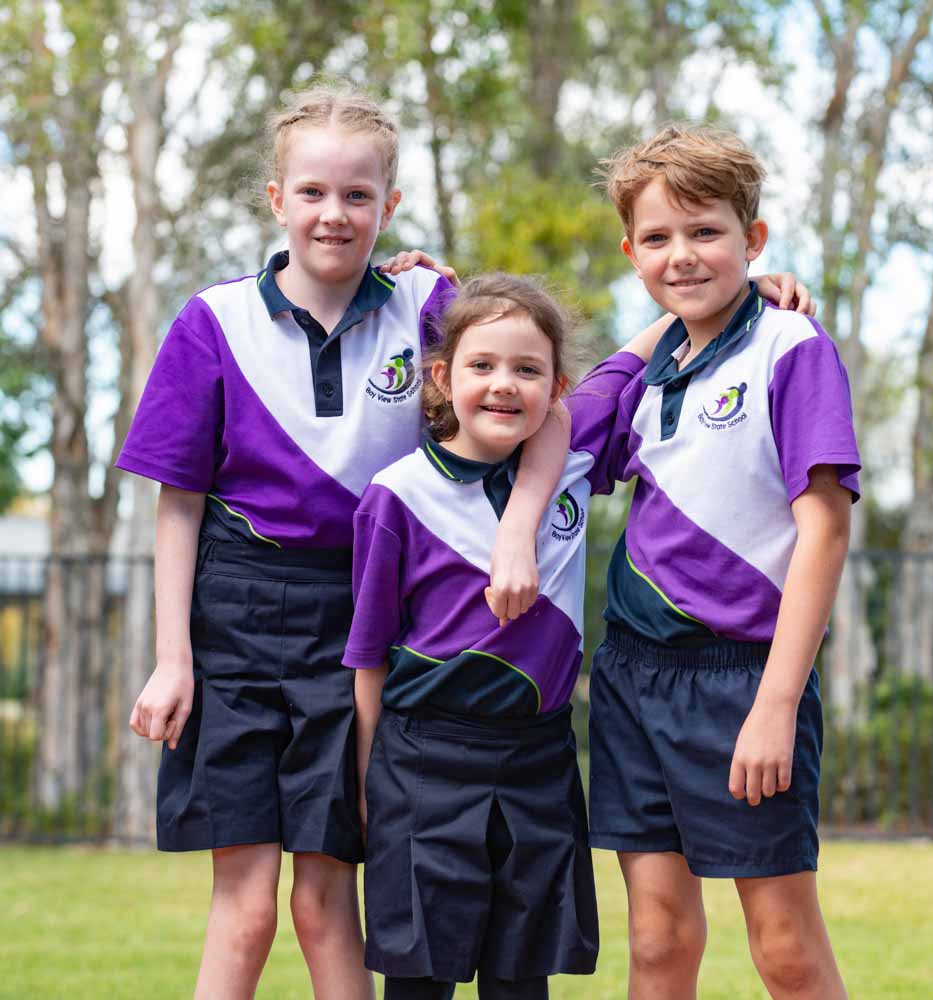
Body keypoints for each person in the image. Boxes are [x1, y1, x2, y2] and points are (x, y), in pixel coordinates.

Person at [117, 86, 560, 1000]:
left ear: (389, 206)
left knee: (326, 903)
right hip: (233, 618)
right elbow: (178, 503)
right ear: (276, 198)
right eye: (313, 192)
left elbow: (547, 386)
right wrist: (173, 660)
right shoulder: (213, 321)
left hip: (361, 620)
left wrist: (517, 531)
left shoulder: (431, 305)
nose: (335, 214)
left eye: (358, 196)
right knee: (243, 910)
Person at [581, 122, 860, 999]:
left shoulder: (791, 347)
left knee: (782, 948)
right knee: (658, 943)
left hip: (744, 682)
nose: (683, 255)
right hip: (632, 676)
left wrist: (777, 705)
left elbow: (826, 531)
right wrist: (653, 332)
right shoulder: (651, 371)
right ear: (631, 252)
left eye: (706, 233)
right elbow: (568, 443)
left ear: (754, 239)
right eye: (657, 239)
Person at [346, 273, 677, 1000]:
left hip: (539, 759)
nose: (504, 385)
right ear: (442, 376)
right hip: (420, 763)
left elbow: (635, 353)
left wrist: (748, 290)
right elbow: (368, 656)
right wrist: (370, 778)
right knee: (420, 978)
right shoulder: (397, 495)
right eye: (483, 366)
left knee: (521, 979)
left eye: (528, 370)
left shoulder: (572, 459)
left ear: (556, 386)